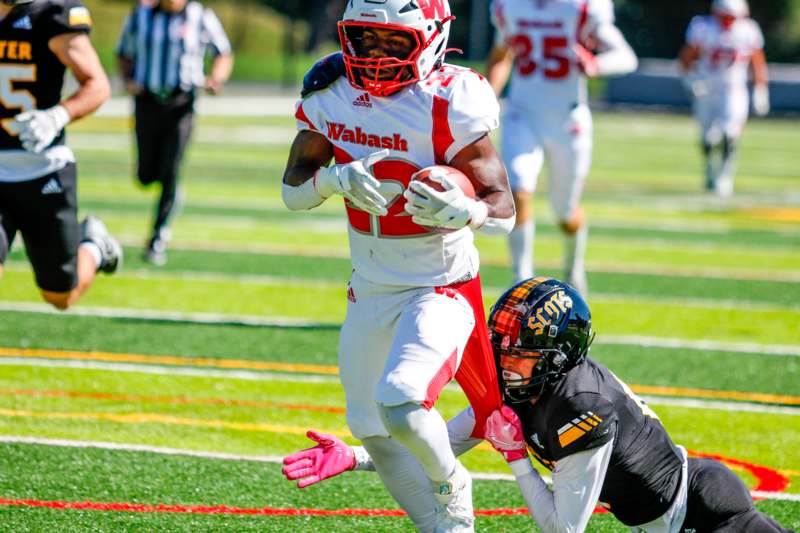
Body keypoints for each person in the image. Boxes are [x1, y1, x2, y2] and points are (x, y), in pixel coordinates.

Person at [283, 277, 794, 533]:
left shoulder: (581, 406)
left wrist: (514, 458)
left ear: (556, 357)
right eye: (500, 347)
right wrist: (357, 456)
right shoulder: (524, 387)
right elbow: (446, 442)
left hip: (707, 515)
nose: (504, 362)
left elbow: (563, 527)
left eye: (519, 353)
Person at [280, 0, 516, 530]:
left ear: (431, 37)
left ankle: (453, 483)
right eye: (367, 39)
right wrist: (332, 181)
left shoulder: (450, 99)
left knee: (404, 400)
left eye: (395, 43)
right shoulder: (331, 91)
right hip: (371, 283)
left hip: (440, 285)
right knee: (370, 424)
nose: (378, 55)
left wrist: (469, 210)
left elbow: (506, 208)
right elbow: (292, 191)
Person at [486, 0, 637, 295]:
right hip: (522, 113)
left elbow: (626, 57)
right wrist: (488, 98)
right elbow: (501, 54)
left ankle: (574, 266)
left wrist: (597, 64)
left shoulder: (582, 8)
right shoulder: (510, 7)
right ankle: (522, 282)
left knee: (565, 212)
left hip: (568, 120)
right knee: (518, 191)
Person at [0, 0, 121, 311]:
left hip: (43, 171)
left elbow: (97, 84)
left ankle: (93, 247)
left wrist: (57, 116)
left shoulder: (52, 15)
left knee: (60, 296)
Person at [116, 0, 233, 265]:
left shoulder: (200, 16)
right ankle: (169, 193)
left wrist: (216, 78)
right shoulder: (140, 15)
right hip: (147, 102)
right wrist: (128, 79)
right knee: (145, 176)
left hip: (181, 104)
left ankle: (157, 237)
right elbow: (123, 51)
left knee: (171, 169)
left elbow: (223, 52)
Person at [679, 0, 769, 198]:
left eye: (733, 17)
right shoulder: (703, 27)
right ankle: (710, 169)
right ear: (716, 13)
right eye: (725, 17)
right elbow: (686, 58)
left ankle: (725, 176)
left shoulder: (748, 30)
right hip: (707, 87)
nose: (729, 22)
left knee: (729, 133)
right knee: (707, 138)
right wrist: (690, 81)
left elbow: (757, 61)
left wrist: (761, 89)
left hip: (733, 88)